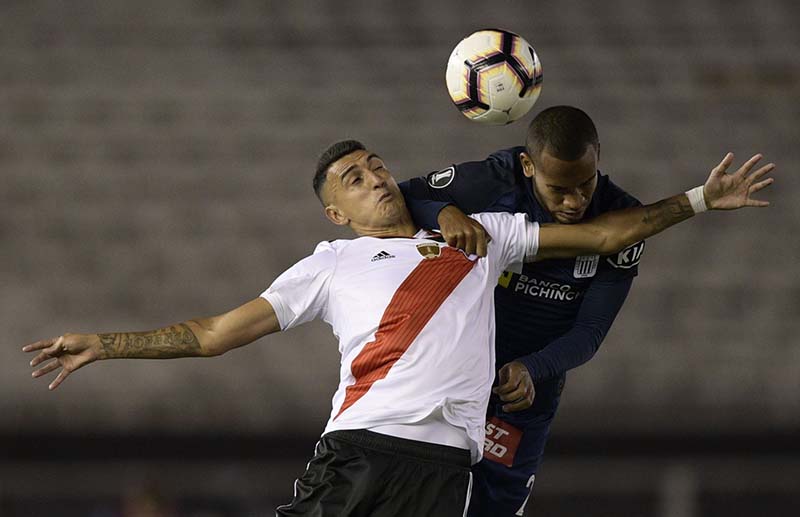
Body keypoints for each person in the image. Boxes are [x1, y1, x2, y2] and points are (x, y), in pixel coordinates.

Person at [24, 139, 773, 516]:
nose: (376, 177)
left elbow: (611, 238)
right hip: (361, 453)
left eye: (377, 165)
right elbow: (216, 332)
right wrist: (108, 344)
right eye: (355, 178)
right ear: (335, 213)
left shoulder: (482, 233)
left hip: (446, 471)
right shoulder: (326, 264)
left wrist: (699, 200)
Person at [398, 105, 767, 516]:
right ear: (527, 165)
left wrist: (531, 368)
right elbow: (403, 195)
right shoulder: (495, 180)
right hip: (450, 376)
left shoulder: (622, 217)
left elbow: (589, 332)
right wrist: (445, 212)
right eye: (558, 189)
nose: (574, 202)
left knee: (494, 508)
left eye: (584, 184)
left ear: (598, 160)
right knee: (410, 498)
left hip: (524, 395)